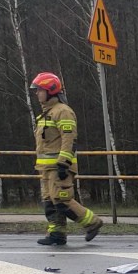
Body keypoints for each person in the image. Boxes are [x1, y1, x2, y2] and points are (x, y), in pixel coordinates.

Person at [29, 72, 102, 246]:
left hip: (59, 166)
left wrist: (63, 163)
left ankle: (92, 223)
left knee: (62, 200)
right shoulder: (47, 113)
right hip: (46, 168)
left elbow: (69, 139)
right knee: (50, 202)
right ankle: (57, 234)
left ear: (50, 91)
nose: (37, 93)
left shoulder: (63, 112)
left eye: (39, 90)